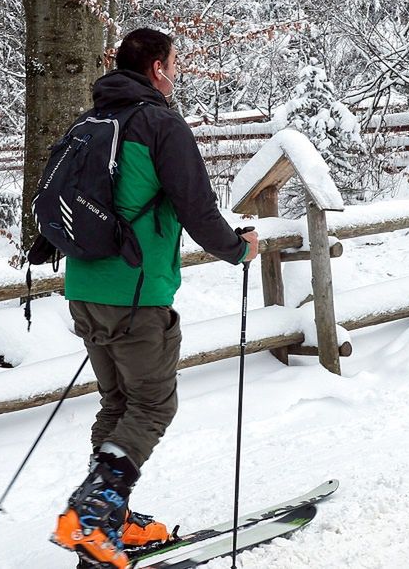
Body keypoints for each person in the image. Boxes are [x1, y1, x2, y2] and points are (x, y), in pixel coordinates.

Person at [51, 28, 260, 568]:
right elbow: (197, 207)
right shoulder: (160, 124)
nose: (176, 74)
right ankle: (93, 517)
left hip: (84, 288)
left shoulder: (90, 123)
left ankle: (107, 521)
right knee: (152, 404)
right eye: (173, 64)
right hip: (136, 294)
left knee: (118, 403)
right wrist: (238, 249)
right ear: (156, 69)